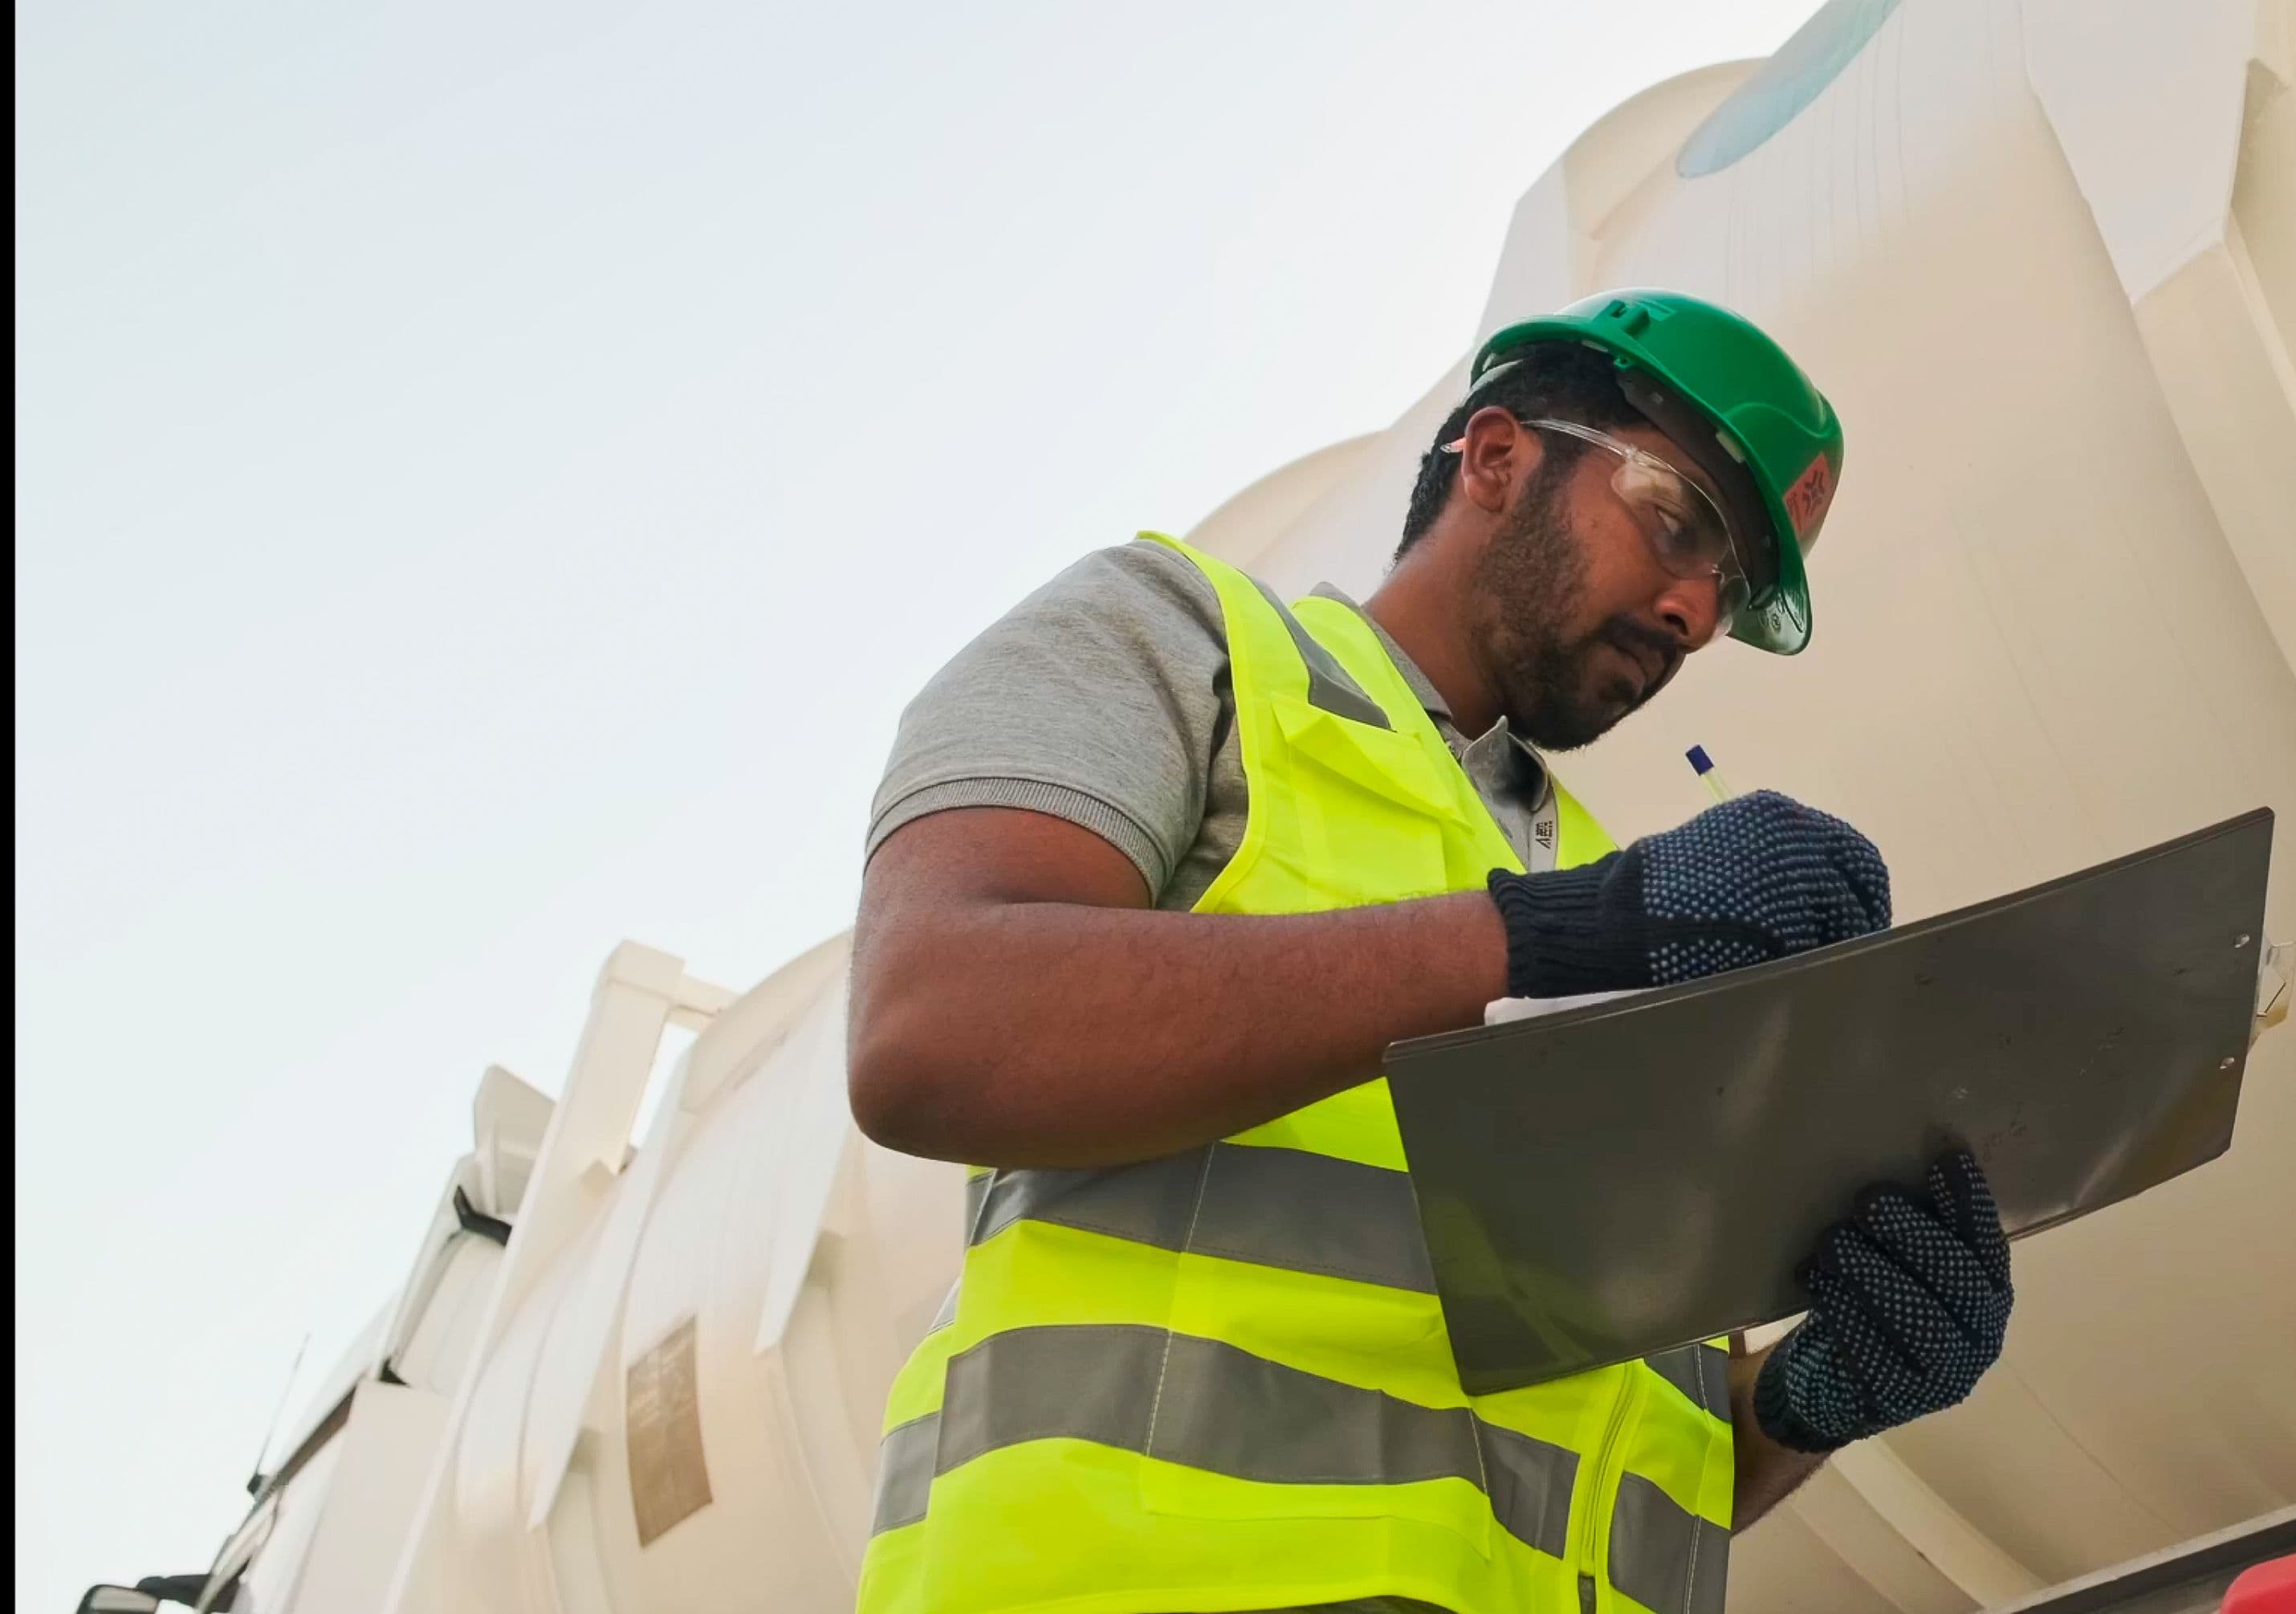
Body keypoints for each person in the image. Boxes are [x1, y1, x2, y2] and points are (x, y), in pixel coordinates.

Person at [848, 289, 2013, 1614]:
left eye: (1729, 590)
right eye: (1677, 519)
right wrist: (1568, 937)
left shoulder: (1608, 883)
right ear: (1500, 457)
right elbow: (930, 1025)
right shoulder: (1194, 646)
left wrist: (1811, 1398)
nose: (1694, 612)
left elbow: (1603, 1455)